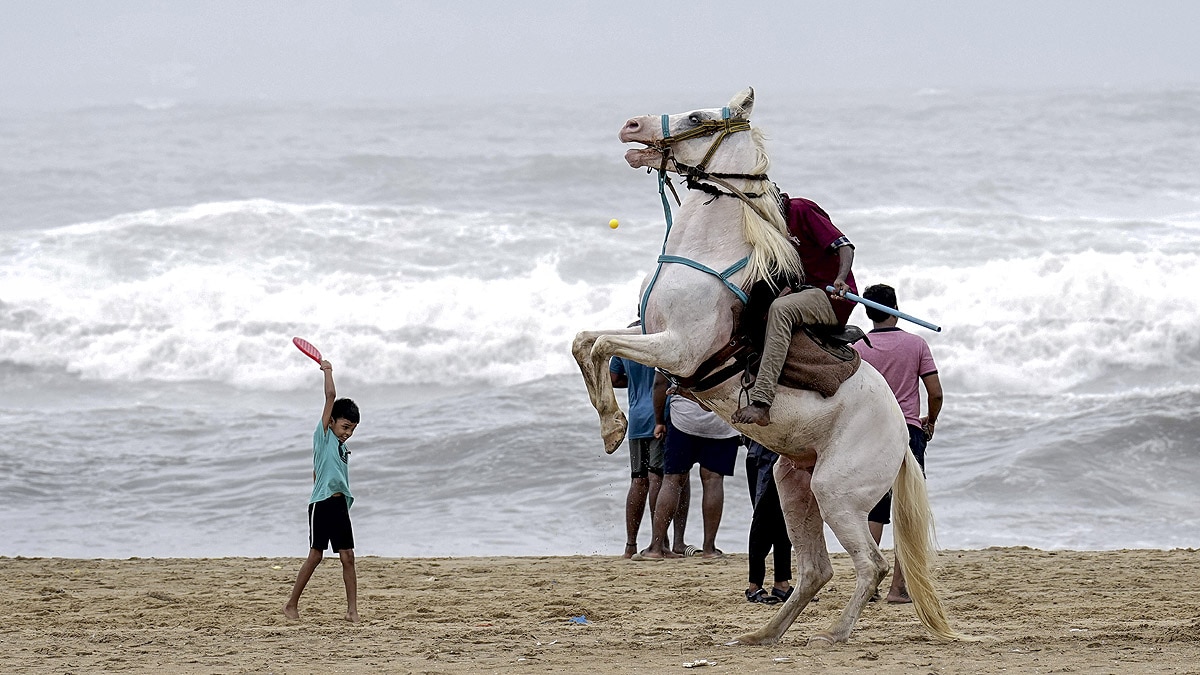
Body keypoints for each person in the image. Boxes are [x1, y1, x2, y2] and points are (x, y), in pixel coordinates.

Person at [852, 283, 943, 604]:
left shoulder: (859, 348)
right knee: (907, 508)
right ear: (896, 307)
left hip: (871, 431)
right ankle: (898, 589)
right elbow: (935, 393)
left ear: (867, 311)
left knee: (875, 508)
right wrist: (929, 421)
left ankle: (869, 585)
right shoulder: (916, 344)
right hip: (907, 431)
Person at [732, 196, 857, 426]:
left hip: (830, 295)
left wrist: (841, 279)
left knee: (781, 309)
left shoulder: (802, 210)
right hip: (805, 289)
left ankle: (762, 402)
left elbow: (845, 247)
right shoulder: (771, 224)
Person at [283, 358, 362, 623]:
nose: (348, 433)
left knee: (348, 557)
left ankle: (352, 611)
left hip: (339, 505)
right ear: (331, 422)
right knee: (316, 555)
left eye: (352, 429)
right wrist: (327, 369)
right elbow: (331, 395)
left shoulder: (340, 446)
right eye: (345, 427)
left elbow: (322, 470)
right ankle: (291, 604)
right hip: (322, 504)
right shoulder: (324, 434)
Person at [637, 373, 739, 559]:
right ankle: (709, 549)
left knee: (672, 480)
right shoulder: (731, 342)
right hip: (721, 419)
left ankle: (656, 547)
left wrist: (659, 421)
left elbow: (660, 382)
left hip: (683, 419)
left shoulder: (677, 342)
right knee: (713, 480)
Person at [611, 355, 690, 558]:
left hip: (636, 416)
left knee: (638, 480)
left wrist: (637, 382)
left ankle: (630, 546)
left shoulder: (626, 340)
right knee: (659, 477)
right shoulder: (659, 334)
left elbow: (613, 378)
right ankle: (660, 542)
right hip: (660, 414)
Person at [744, 439, 793, 604]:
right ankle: (754, 586)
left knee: (784, 520)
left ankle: (782, 583)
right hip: (763, 457)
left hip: (785, 455)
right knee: (762, 520)